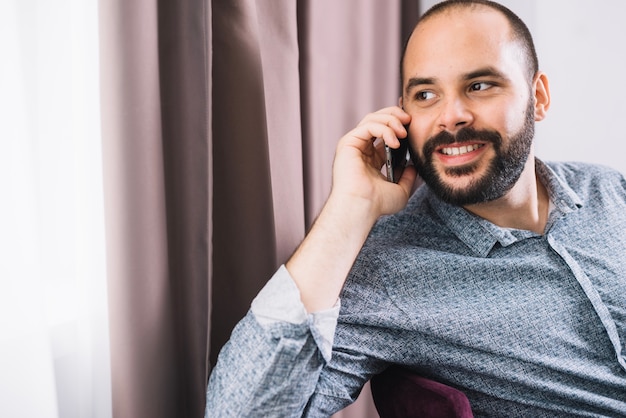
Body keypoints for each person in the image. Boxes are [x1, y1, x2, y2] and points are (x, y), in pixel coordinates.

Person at [205, 0, 626, 416]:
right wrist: (350, 206)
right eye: (425, 94)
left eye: (479, 85)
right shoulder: (382, 269)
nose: (452, 116)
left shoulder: (611, 189)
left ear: (538, 97)